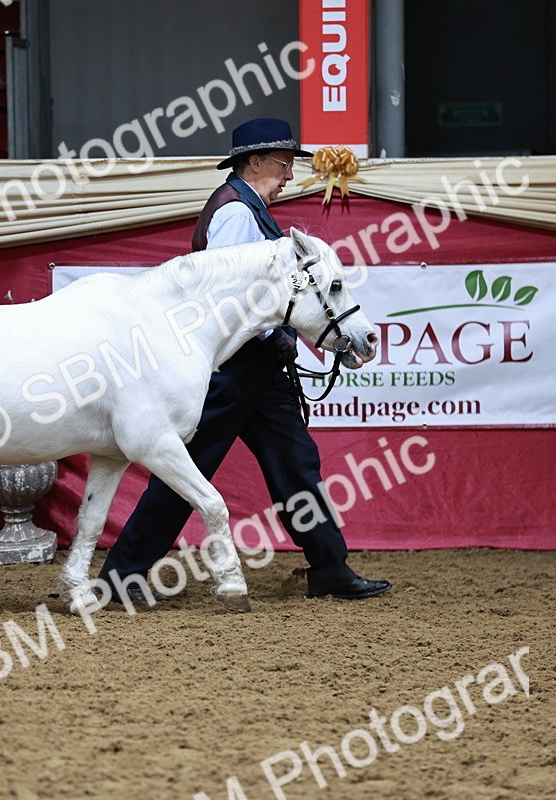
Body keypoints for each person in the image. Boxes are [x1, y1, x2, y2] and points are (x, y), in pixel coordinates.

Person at [97, 118, 391, 606]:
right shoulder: (235, 215)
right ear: (254, 162)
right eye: (282, 165)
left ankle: (330, 568)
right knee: (184, 471)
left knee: (296, 466)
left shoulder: (251, 210)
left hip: (259, 369)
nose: (289, 176)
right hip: (231, 370)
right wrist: (277, 335)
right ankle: (121, 576)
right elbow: (231, 299)